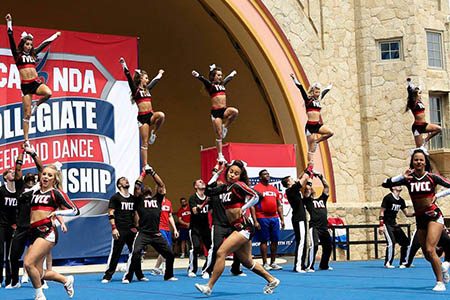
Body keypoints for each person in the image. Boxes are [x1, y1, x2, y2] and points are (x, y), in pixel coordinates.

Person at [195, 160, 280, 296]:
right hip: (236, 228)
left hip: (244, 227)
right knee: (247, 261)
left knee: (221, 252)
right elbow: (209, 190)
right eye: (230, 172)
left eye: (236, 173)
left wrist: (244, 207)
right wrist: (217, 173)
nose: (232, 175)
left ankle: (209, 286)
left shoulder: (238, 186)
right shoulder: (224, 188)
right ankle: (272, 279)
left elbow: (257, 195)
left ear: (240, 176)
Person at [382, 148, 450, 291]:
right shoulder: (408, 179)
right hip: (420, 219)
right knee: (427, 254)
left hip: (433, 215)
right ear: (412, 162)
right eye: (416, 160)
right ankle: (443, 268)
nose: (418, 162)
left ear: (425, 162)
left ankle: (440, 282)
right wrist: (401, 176)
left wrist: (439, 195)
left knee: (431, 250)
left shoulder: (432, 177)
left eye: (421, 159)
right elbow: (385, 183)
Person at [23, 163, 79, 300]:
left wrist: (57, 212)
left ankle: (39, 296)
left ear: (55, 179)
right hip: (33, 232)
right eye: (44, 174)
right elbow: (23, 198)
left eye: (50, 175)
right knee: (38, 271)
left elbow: (75, 210)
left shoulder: (56, 193)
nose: (46, 177)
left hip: (47, 231)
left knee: (28, 263)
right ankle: (66, 281)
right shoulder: (35, 191)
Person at [5, 14, 61, 146]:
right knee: (27, 114)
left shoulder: (33, 54)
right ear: (23, 44)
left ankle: (37, 104)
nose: (29, 46)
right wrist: (9, 23)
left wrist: (55, 36)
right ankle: (26, 140)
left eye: (31, 44)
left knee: (48, 93)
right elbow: (10, 38)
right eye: (27, 44)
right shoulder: (17, 55)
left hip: (35, 82)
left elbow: (45, 43)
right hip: (25, 87)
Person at [123, 166, 177, 282]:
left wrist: (152, 172)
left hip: (156, 233)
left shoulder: (157, 199)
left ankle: (168, 275)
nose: (146, 186)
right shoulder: (139, 200)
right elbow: (137, 186)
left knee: (170, 254)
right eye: (144, 187)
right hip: (143, 233)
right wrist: (143, 174)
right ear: (142, 192)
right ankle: (128, 277)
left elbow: (161, 185)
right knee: (136, 253)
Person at [119, 57, 165, 171]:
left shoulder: (147, 90)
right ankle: (145, 165)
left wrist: (159, 75)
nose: (148, 80)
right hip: (142, 118)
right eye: (146, 78)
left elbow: (154, 82)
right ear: (140, 79)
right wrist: (124, 64)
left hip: (151, 114)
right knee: (144, 143)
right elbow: (129, 77)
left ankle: (154, 132)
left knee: (162, 115)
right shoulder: (135, 90)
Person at [192, 65, 239, 162]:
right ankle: (220, 155)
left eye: (221, 75)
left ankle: (225, 126)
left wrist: (232, 74)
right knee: (219, 134)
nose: (220, 77)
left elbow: (228, 79)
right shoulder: (211, 86)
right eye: (218, 75)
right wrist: (197, 75)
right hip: (216, 112)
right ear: (213, 76)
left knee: (235, 112)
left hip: (224, 110)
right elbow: (204, 80)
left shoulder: (222, 85)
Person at [205, 179, 246, 278]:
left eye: (222, 184)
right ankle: (208, 270)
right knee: (216, 247)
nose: (220, 185)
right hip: (218, 224)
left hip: (231, 224)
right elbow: (208, 208)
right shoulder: (213, 195)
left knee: (238, 247)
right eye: (218, 184)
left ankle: (235, 269)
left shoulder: (231, 194)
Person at [102, 177, 139, 283]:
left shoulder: (132, 198)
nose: (126, 180)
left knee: (135, 252)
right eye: (123, 180)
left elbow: (135, 213)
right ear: (119, 185)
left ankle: (138, 274)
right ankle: (107, 276)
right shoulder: (115, 198)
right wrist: (114, 228)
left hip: (131, 229)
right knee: (116, 253)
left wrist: (136, 227)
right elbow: (110, 213)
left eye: (127, 179)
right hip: (119, 229)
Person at [290, 73, 333, 162]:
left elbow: (325, 91)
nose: (318, 94)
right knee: (311, 149)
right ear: (312, 92)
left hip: (317, 125)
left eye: (318, 92)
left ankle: (317, 141)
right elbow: (300, 88)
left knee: (330, 132)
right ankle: (310, 166)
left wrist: (330, 85)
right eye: (316, 92)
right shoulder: (308, 100)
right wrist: (294, 78)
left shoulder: (319, 99)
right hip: (310, 126)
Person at [282, 163, 314, 273]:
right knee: (301, 242)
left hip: (302, 217)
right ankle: (297, 266)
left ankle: (302, 264)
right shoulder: (290, 191)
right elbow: (302, 178)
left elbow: (301, 179)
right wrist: (309, 169)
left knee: (304, 242)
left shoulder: (295, 191)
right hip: (298, 218)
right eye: (292, 179)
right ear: (289, 183)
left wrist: (307, 171)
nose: (294, 180)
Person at [251, 169, 285, 270]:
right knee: (264, 240)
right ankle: (265, 263)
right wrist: (255, 221)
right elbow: (252, 206)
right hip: (262, 217)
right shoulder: (256, 188)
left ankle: (273, 262)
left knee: (275, 240)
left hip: (274, 217)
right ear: (260, 177)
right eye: (265, 174)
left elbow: (279, 204)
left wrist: (282, 219)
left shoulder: (274, 189)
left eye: (268, 174)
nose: (267, 176)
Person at [303, 171, 333, 271]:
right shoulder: (307, 201)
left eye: (313, 189)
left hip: (324, 227)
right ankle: (309, 266)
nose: (312, 190)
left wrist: (320, 176)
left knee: (328, 246)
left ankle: (324, 265)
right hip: (314, 227)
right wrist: (311, 176)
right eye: (311, 190)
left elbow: (327, 187)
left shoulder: (322, 199)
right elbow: (307, 188)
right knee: (314, 245)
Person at [378, 186, 414, 268]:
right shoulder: (388, 198)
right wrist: (381, 225)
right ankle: (388, 263)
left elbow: (407, 213)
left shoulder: (401, 200)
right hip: (387, 224)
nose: (400, 186)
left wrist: (417, 213)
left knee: (406, 243)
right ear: (393, 188)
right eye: (397, 185)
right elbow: (382, 211)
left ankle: (403, 262)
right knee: (391, 243)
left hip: (394, 224)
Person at [406, 78, 441, 148]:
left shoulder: (419, 102)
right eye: (419, 93)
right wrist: (409, 84)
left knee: (439, 129)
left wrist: (418, 88)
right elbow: (410, 93)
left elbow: (418, 89)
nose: (420, 94)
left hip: (424, 124)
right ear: (415, 95)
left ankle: (425, 140)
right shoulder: (413, 103)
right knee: (419, 147)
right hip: (417, 127)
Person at [0, 166, 20, 288]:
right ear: (5, 176)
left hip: (14, 226)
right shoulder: (1, 191)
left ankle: (10, 280)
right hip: (1, 225)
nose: (13, 173)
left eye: (14, 172)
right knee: (0, 252)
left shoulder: (19, 191)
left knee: (11, 255)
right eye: (10, 172)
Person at [187, 179, 212, 278]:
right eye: (200, 182)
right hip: (195, 227)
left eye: (203, 181)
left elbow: (211, 210)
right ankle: (192, 269)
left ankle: (207, 269)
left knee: (211, 248)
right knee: (196, 247)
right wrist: (204, 203)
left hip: (205, 227)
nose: (202, 182)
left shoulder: (208, 197)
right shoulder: (193, 198)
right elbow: (195, 211)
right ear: (195, 186)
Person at [151, 197, 179, 275]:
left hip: (167, 229)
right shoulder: (154, 202)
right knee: (165, 248)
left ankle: (156, 268)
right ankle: (164, 268)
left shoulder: (168, 202)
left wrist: (175, 229)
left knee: (167, 248)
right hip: (159, 228)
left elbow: (170, 216)